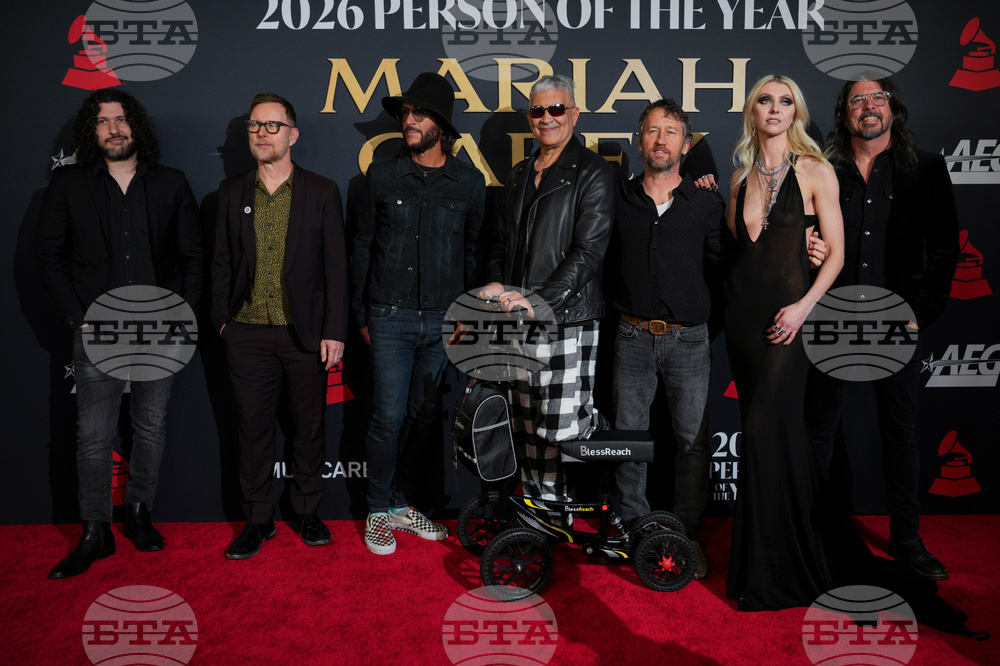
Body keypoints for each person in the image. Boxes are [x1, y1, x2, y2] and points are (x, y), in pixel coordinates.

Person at [722, 75, 872, 611]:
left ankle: (776, 569)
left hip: (792, 319)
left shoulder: (815, 170)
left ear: (797, 113)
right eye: (766, 99)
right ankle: (767, 562)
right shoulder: (738, 180)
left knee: (765, 430)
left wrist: (804, 306)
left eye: (786, 101)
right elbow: (742, 257)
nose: (775, 108)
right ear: (752, 110)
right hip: (744, 323)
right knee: (768, 436)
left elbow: (835, 253)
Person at [38, 89, 202, 578]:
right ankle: (95, 530)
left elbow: (194, 257)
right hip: (98, 328)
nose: (114, 128)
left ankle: (139, 514)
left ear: (137, 128)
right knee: (93, 436)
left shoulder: (172, 183)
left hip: (159, 326)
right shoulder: (68, 184)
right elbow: (50, 257)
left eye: (122, 119)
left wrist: (181, 315)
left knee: (150, 427)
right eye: (104, 121)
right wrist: (78, 316)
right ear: (93, 133)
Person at [805, 76, 960, 581]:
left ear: (893, 107)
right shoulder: (823, 167)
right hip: (830, 316)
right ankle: (817, 531)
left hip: (897, 318)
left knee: (900, 433)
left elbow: (943, 249)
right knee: (821, 431)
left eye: (877, 98)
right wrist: (809, 256)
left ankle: (907, 539)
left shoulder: (928, 168)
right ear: (844, 113)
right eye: (857, 101)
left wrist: (919, 312)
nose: (868, 108)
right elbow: (798, 238)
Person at [351, 72, 485, 555]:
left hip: (445, 320)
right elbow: (362, 247)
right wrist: (361, 314)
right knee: (386, 417)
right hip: (390, 314)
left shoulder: (468, 183)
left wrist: (467, 320)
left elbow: (473, 256)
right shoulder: (383, 176)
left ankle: (399, 501)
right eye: (405, 113)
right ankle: (376, 510)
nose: (408, 121)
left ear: (441, 126)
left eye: (418, 114)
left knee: (423, 417)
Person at [212, 93, 348, 559]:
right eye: (254, 125)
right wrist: (223, 323)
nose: (261, 133)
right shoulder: (231, 193)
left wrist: (335, 330)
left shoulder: (322, 191)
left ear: (293, 134)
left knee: (308, 427)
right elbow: (221, 264)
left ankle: (308, 511)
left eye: (272, 126)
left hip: (304, 333)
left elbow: (336, 268)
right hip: (246, 332)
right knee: (252, 430)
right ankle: (258, 520)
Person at [478, 74, 614, 506]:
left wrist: (541, 299)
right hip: (519, 322)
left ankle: (584, 480)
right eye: (538, 110)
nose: (547, 118)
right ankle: (545, 515)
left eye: (557, 109)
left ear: (573, 114)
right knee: (527, 426)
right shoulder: (520, 174)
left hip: (567, 319)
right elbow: (501, 243)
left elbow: (588, 252)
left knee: (561, 427)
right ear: (529, 118)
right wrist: (499, 279)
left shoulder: (594, 172)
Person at [611, 99, 726, 579]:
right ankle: (634, 529)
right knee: (630, 439)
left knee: (692, 443)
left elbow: (724, 270)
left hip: (689, 341)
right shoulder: (617, 197)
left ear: (686, 143)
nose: (661, 140)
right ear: (640, 141)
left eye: (672, 131)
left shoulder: (706, 203)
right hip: (631, 336)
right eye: (653, 131)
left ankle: (687, 537)